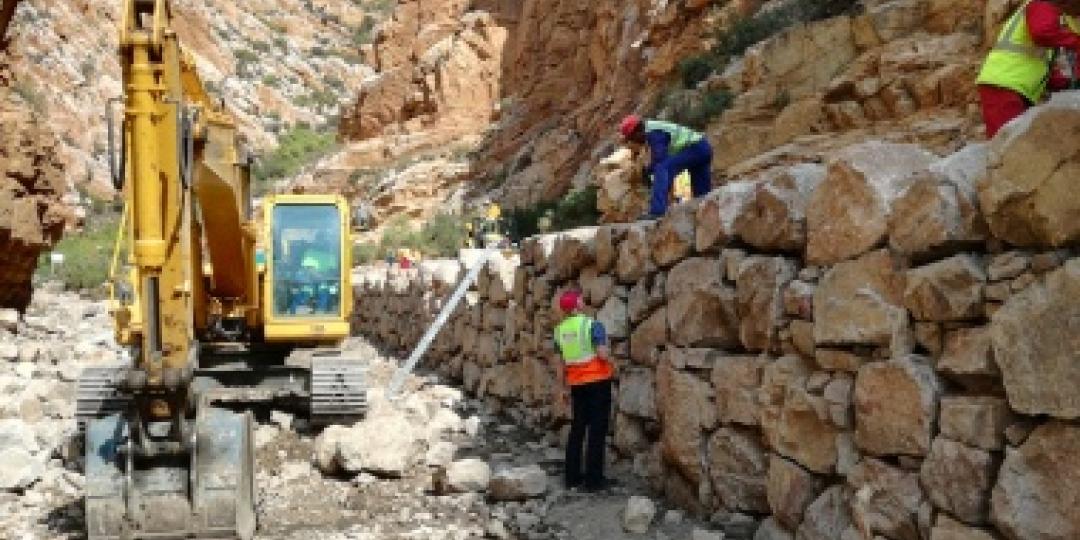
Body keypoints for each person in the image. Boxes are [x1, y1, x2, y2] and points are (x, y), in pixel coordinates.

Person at [976, 0, 1080, 138]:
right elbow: (1042, 33)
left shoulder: (1056, 15)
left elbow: (1040, 61)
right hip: (1004, 85)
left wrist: (1063, 83)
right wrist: (1076, 41)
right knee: (1007, 147)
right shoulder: (1042, 4)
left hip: (1012, 86)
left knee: (1013, 143)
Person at [551, 290, 615, 491]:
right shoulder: (592, 325)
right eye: (581, 300)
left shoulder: (559, 331)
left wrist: (562, 388)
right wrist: (614, 360)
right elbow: (602, 354)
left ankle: (572, 477)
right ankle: (594, 481)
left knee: (578, 428)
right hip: (598, 383)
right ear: (578, 305)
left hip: (576, 385)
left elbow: (560, 363)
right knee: (597, 430)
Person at [619, 114, 713, 219]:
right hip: (703, 148)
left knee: (662, 168)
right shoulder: (653, 129)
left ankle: (657, 211)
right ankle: (708, 213)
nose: (633, 141)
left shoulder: (654, 133)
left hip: (695, 149)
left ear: (637, 131)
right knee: (702, 195)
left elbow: (660, 159)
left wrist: (648, 171)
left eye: (632, 138)